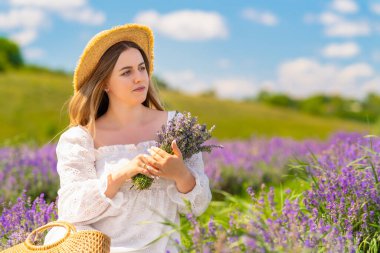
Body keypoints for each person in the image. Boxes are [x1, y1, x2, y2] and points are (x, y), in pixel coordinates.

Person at [44, 23, 212, 252]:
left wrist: (181, 174)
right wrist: (119, 174)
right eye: (126, 72)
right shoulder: (80, 139)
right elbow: (71, 210)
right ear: (104, 83)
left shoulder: (177, 126)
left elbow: (198, 207)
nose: (139, 78)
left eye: (142, 68)